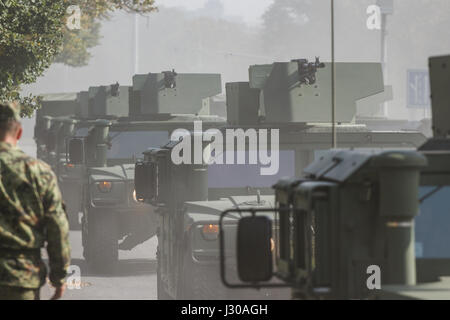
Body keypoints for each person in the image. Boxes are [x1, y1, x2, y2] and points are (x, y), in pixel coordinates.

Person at [0, 102, 71, 300]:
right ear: (20, 132)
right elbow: (57, 227)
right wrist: (59, 278)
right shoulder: (39, 172)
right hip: (20, 279)